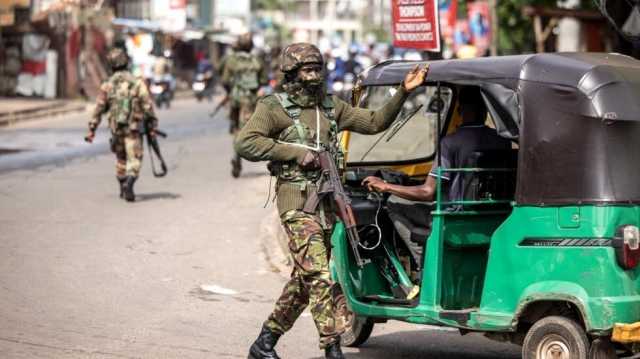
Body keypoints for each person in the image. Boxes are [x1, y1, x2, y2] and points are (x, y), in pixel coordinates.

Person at [235, 42, 428, 359]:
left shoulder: (330, 107)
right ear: (292, 73)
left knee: (304, 280)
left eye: (317, 69)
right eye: (306, 70)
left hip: (327, 206)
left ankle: (264, 343)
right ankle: (331, 347)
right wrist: (296, 153)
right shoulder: (273, 107)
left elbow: (375, 122)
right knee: (320, 276)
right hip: (296, 205)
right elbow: (246, 143)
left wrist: (403, 92)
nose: (313, 76)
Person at [362, 87, 512, 267]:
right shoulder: (501, 140)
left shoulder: (450, 143)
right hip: (493, 214)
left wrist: (385, 186)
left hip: (455, 219)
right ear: (485, 110)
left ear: (460, 110)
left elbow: (427, 192)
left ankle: (423, 265)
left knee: (393, 201)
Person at [85, 47, 158, 202]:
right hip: (133, 129)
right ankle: (130, 184)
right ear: (126, 62)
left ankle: (122, 186)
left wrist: (92, 129)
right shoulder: (137, 82)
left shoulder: (107, 85)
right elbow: (147, 105)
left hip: (116, 129)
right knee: (135, 158)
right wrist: (153, 125)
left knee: (121, 158)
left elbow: (99, 108)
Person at [221, 33, 268, 178]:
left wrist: (230, 93)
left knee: (235, 128)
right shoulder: (256, 61)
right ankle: (237, 155)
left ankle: (236, 155)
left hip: (235, 99)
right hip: (249, 101)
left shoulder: (231, 61)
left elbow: (225, 80)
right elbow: (263, 81)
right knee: (244, 130)